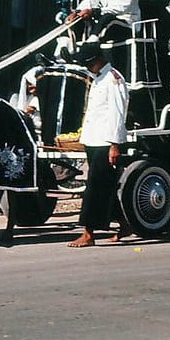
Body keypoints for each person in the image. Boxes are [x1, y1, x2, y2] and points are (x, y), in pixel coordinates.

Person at [68, 41, 130, 248]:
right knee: (105, 186)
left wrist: (114, 144)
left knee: (94, 187)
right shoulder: (98, 79)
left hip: (105, 141)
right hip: (92, 139)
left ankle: (88, 233)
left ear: (98, 60)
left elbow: (117, 114)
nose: (87, 68)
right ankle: (124, 223)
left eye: (89, 64)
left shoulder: (114, 79)